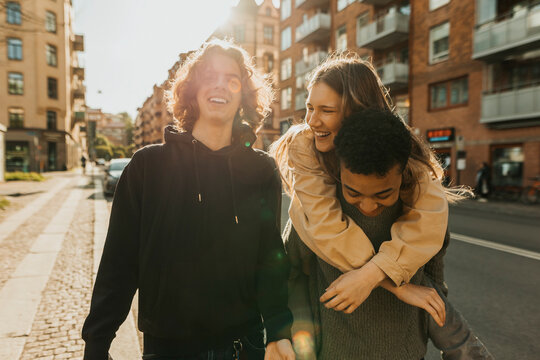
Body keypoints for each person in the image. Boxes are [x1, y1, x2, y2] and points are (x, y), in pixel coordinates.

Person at [82, 39, 294, 360]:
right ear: (192, 91)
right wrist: (97, 342)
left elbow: (269, 257)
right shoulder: (147, 166)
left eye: (232, 78)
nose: (220, 84)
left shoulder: (261, 168)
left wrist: (279, 331)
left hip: (242, 345)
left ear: (244, 96)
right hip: (168, 348)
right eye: (209, 76)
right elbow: (119, 260)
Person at [270, 54, 491, 359]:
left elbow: (432, 270)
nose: (312, 120)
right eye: (309, 108)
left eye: (326, 110)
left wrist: (377, 279)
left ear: (355, 112)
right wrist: (393, 284)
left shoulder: (410, 172)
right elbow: (319, 236)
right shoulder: (308, 158)